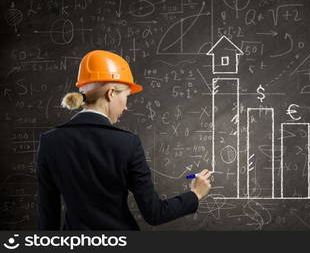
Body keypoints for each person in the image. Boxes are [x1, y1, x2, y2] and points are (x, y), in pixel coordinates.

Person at [37, 50, 211, 230]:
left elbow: (47, 216)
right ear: (111, 93)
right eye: (126, 97)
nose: (126, 107)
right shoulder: (127, 144)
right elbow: (155, 213)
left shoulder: (50, 141)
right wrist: (196, 193)